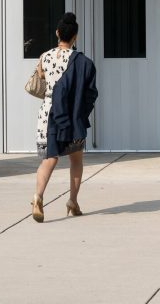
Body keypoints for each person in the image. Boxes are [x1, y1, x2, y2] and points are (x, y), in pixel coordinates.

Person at [31, 13, 98, 223]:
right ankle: (72, 201)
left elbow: (41, 81)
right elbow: (90, 93)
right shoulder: (82, 62)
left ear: (58, 32)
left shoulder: (44, 57)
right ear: (75, 37)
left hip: (47, 114)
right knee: (76, 159)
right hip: (71, 113)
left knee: (49, 158)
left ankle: (38, 196)